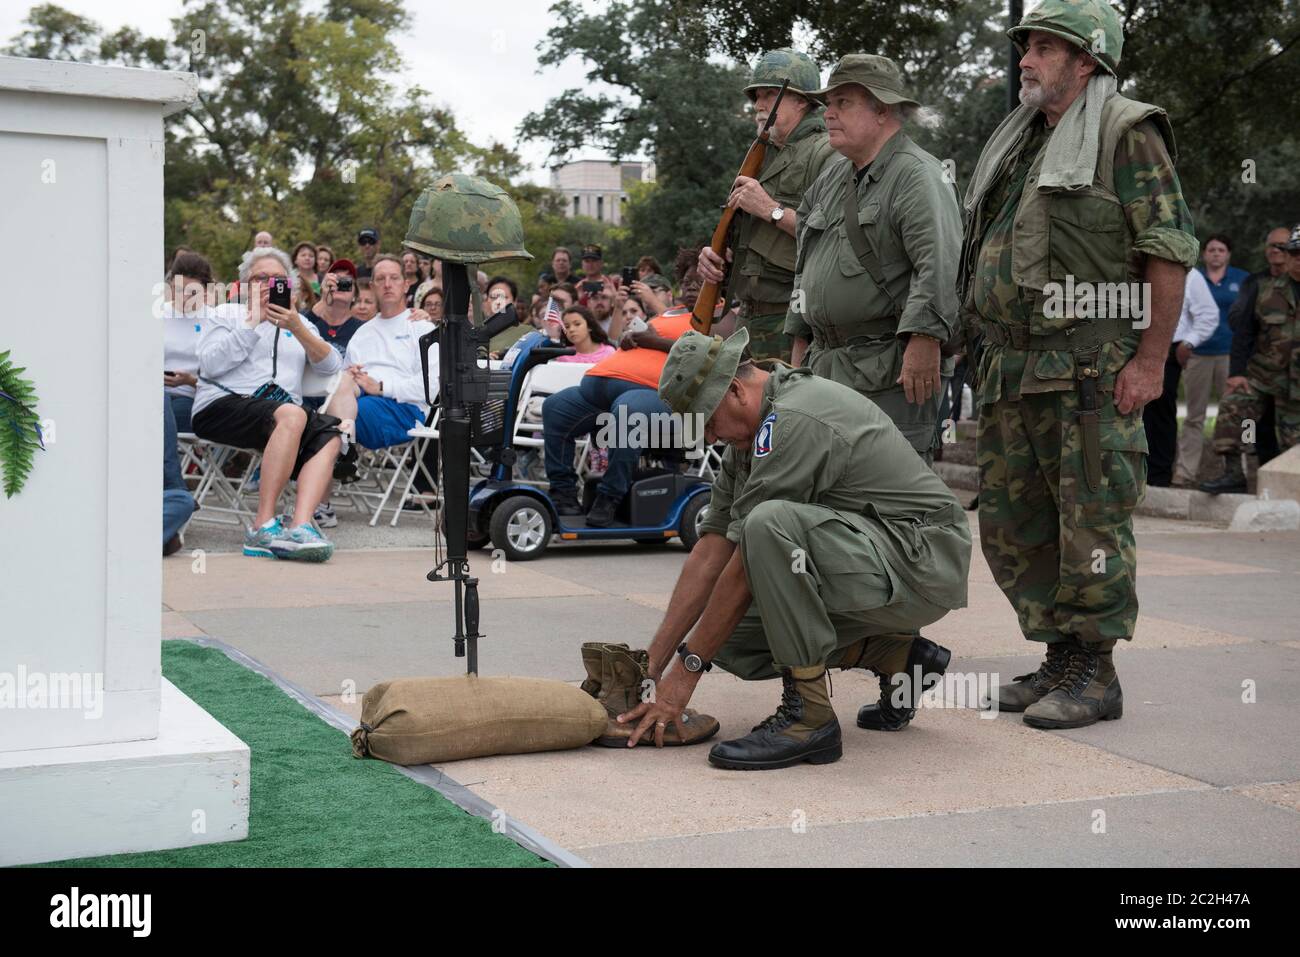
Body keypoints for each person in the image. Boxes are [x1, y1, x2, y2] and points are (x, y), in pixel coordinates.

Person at [960, 0, 1199, 728]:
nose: (1025, 58)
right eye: (1026, 45)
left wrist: (1151, 361)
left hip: (1090, 375)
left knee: (1091, 524)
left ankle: (1097, 671)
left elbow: (1167, 249)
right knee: (1014, 526)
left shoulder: (1126, 132)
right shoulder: (1024, 139)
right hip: (1014, 370)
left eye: (1041, 47)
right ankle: (1061, 656)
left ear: (1086, 60)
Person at [612, 328, 969, 766]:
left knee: (768, 526)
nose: (709, 438)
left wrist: (682, 679)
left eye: (707, 422)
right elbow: (711, 551)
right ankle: (897, 655)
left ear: (737, 390)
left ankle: (810, 720)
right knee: (723, 639)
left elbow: (746, 560)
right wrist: (652, 667)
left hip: (924, 560)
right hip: (876, 555)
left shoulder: (795, 418)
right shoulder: (750, 434)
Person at [783, 54, 960, 462]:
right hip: (826, 369)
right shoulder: (831, 178)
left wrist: (925, 339)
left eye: (842, 102)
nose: (828, 114)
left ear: (882, 110)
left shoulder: (918, 175)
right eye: (828, 103)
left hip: (890, 374)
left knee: (895, 499)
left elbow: (940, 264)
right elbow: (803, 267)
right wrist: (798, 349)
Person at [191, 245, 344, 562]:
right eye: (261, 278)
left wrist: (298, 328)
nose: (269, 284)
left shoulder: (299, 323)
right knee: (292, 415)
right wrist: (253, 322)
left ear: (289, 285)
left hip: (281, 417)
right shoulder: (225, 314)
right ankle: (262, 526)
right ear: (245, 285)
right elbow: (209, 364)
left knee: (331, 433)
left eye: (277, 279)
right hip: (222, 406)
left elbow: (331, 368)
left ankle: (300, 524)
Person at [697, 49, 836, 361]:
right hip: (749, 318)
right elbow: (751, 241)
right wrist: (719, 257)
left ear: (802, 100)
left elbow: (832, 237)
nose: (759, 105)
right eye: (757, 96)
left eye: (771, 94)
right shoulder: (761, 155)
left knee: (783, 408)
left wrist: (770, 208)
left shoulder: (826, 153)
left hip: (795, 320)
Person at [542, 303, 695, 526]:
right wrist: (628, 337)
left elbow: (709, 353)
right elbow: (637, 338)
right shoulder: (668, 313)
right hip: (598, 387)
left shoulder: (718, 316)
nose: (693, 282)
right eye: (688, 273)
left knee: (627, 411)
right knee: (555, 407)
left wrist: (653, 341)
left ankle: (610, 496)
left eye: (697, 276)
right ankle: (563, 493)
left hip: (655, 393)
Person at [1201, 224, 1300, 492]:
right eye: (1294, 254)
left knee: (1293, 444)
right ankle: (1234, 475)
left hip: (1297, 387)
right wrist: (1237, 373)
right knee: (1234, 407)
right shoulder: (1263, 288)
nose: (1297, 260)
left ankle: (1288, 488)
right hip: (1263, 376)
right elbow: (1243, 332)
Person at [324, 256, 437, 461]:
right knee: (335, 392)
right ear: (373, 286)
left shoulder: (422, 329)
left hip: (405, 409)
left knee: (330, 420)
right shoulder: (362, 333)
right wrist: (350, 376)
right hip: (357, 400)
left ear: (405, 285)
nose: (387, 284)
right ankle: (340, 454)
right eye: (381, 279)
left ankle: (340, 453)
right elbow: (345, 378)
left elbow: (431, 387)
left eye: (394, 278)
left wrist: (382, 387)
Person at [1171, 236, 1249, 485]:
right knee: (1194, 417)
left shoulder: (1242, 279)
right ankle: (1185, 472)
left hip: (1232, 357)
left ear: (1228, 254)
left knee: (1239, 415)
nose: (1216, 254)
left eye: (1221, 250)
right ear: (1204, 254)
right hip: (1199, 355)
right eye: (1211, 250)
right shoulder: (1193, 278)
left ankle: (1242, 468)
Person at [1143, 267, 1219, 486]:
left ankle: (1157, 477)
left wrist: (1189, 341)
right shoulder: (1121, 264)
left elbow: (1208, 314)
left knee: (1160, 412)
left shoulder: (1186, 272)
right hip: (1126, 345)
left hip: (1167, 348)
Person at [162, 250, 216, 432]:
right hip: (154, 394)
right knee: (158, 407)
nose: (184, 298)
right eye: (179, 290)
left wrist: (190, 381)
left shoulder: (215, 319)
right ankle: (171, 462)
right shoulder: (158, 314)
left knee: (167, 414)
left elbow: (224, 377)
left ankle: (169, 462)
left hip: (193, 397)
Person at [306, 258, 365, 360]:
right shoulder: (310, 320)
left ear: (355, 296)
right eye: (335, 280)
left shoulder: (363, 329)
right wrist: (324, 299)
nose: (339, 285)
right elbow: (294, 334)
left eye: (346, 282)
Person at [163, 389, 196, 556]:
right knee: (159, 396)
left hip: (191, 394)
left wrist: (190, 380)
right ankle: (156, 539)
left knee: (182, 501)